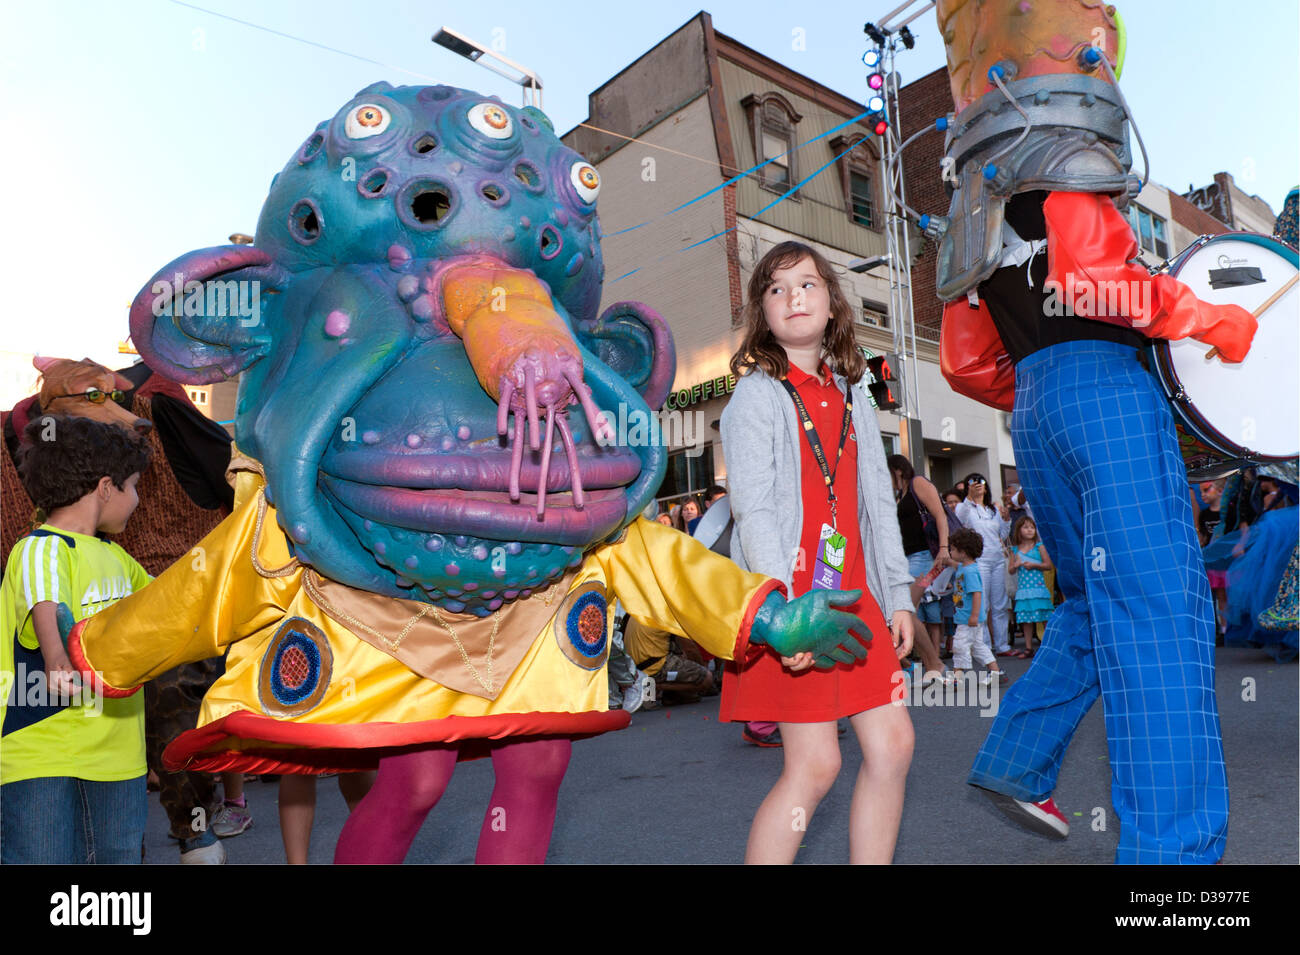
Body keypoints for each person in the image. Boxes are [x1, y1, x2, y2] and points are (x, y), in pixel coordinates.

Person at [719, 240, 915, 864]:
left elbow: (878, 503)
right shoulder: (756, 396)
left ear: (832, 303)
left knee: (893, 748)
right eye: (776, 289)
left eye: (806, 284)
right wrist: (783, 615)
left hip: (857, 597)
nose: (792, 297)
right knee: (816, 765)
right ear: (763, 314)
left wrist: (899, 596)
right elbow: (753, 512)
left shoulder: (855, 393)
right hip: (798, 602)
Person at [0, 415, 153, 863]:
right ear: (106, 487)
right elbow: (46, 600)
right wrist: (56, 657)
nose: (138, 500)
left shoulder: (116, 557)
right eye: (134, 486)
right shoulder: (41, 547)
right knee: (42, 859)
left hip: (119, 753)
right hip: (44, 747)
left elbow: (165, 608)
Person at [887, 454, 949, 682]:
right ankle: (922, 663)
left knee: (906, 608)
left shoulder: (918, 483)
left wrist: (943, 548)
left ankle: (934, 664)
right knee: (904, 610)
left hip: (925, 559)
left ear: (897, 470)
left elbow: (940, 515)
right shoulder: (899, 495)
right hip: (908, 559)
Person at [955, 474, 1012, 655]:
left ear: (986, 487)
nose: (978, 485)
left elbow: (1002, 535)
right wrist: (970, 497)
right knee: (983, 604)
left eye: (981, 482)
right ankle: (984, 646)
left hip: (997, 559)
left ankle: (1002, 645)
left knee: (1000, 604)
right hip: (979, 560)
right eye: (973, 482)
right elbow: (960, 519)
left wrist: (1007, 520)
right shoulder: (964, 507)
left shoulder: (992, 510)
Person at [947, 529, 1002, 684]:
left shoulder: (970, 571)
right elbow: (955, 565)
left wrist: (974, 615)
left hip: (968, 618)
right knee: (977, 646)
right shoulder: (964, 567)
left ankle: (957, 677)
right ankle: (995, 671)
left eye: (952, 549)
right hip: (967, 616)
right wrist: (946, 560)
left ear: (963, 552)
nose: (950, 552)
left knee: (959, 644)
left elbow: (977, 593)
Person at [1007, 517, 1053, 657]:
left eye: (1032, 527)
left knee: (1044, 616)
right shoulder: (1014, 550)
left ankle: (1048, 645)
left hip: (1038, 587)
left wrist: (1034, 565)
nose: (1029, 530)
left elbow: (1048, 565)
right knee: (1026, 619)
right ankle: (1028, 647)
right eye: (1026, 527)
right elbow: (1011, 570)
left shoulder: (1040, 546)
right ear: (1019, 530)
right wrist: (1016, 565)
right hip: (1024, 589)